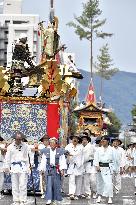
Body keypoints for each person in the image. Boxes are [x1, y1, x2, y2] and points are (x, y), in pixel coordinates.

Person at [4, 132, 30, 205]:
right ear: (15, 139)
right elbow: (7, 158)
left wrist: (29, 167)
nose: (18, 140)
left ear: (22, 139)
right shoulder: (10, 147)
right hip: (14, 167)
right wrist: (7, 166)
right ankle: (16, 200)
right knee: (15, 185)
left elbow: (28, 157)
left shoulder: (26, 146)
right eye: (17, 139)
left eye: (20, 139)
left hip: (23, 166)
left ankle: (23, 200)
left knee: (23, 184)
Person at [39, 137, 67, 205]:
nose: (52, 144)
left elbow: (62, 161)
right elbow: (43, 161)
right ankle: (49, 199)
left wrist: (62, 170)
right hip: (49, 169)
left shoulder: (60, 151)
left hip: (56, 169)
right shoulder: (46, 151)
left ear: (56, 144)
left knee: (56, 184)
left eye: (54, 143)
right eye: (51, 143)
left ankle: (55, 199)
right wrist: (42, 169)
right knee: (48, 184)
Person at [94, 135, 114, 204]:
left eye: (104, 140)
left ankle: (109, 197)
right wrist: (97, 166)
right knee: (100, 182)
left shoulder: (112, 149)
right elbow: (96, 158)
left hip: (108, 168)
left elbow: (115, 160)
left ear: (108, 141)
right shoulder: (98, 149)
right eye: (102, 140)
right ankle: (99, 195)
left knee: (109, 183)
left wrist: (113, 167)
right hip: (100, 167)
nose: (102, 141)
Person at [65, 134, 84, 200]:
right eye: (73, 138)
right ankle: (72, 193)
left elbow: (82, 157)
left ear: (78, 140)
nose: (74, 139)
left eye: (76, 138)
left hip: (79, 165)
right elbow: (66, 154)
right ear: (72, 139)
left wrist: (81, 164)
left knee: (79, 180)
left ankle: (77, 193)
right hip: (72, 165)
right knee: (72, 179)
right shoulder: (68, 146)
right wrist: (68, 157)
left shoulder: (81, 147)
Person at [81, 132, 97, 199]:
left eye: (85, 139)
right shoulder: (80, 147)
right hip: (84, 165)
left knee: (93, 180)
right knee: (86, 180)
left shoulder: (91, 146)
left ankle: (94, 191)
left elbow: (96, 156)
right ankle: (88, 193)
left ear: (88, 140)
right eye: (82, 140)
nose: (84, 141)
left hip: (91, 164)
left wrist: (97, 164)